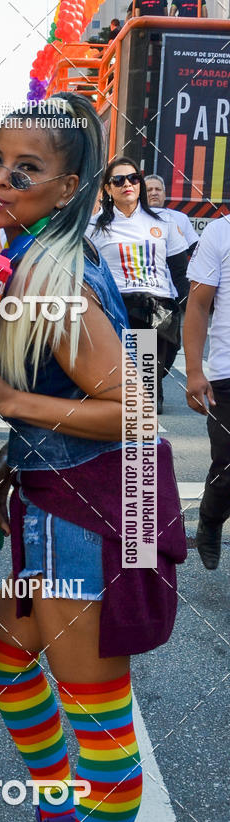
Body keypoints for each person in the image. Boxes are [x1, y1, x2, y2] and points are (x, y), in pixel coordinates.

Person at [0, 92, 186, 822]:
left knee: (99, 716)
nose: (1, 181)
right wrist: (25, 446)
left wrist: (10, 406)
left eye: (28, 170)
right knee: (3, 653)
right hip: (69, 493)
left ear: (70, 184)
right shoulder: (43, 254)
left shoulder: (58, 277)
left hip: (90, 510)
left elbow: (137, 406)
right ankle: (64, 818)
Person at [88, 157, 188, 413]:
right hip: (120, 306)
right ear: (108, 189)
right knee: (138, 389)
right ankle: (136, 426)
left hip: (160, 306)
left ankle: (143, 416)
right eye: (118, 180)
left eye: (133, 178)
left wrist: (182, 305)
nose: (127, 184)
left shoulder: (163, 223)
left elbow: (179, 269)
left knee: (153, 373)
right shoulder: (94, 228)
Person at [184, 216, 230, 570]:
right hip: (226, 373)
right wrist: (195, 371)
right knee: (227, 469)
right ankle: (211, 519)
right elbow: (198, 306)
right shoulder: (219, 231)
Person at [145, 174, 199, 254]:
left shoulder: (180, 218)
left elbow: (195, 250)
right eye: (149, 190)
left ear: (165, 195)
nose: (154, 193)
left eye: (158, 189)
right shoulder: (135, 217)